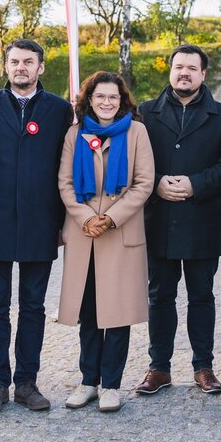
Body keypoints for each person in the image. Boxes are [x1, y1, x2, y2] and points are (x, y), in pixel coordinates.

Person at [0, 39, 74, 413]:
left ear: (41, 67)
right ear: (5, 67)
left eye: (28, 61)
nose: (21, 67)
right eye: (15, 61)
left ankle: (27, 382)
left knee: (33, 306)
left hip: (41, 222)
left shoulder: (59, 110)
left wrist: (64, 221)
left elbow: (66, 167)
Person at [133, 44, 221, 395]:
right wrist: (156, 184)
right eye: (178, 66)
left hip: (201, 219)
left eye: (191, 68)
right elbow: (131, 160)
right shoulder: (145, 113)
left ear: (203, 74)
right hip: (159, 219)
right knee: (159, 295)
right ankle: (159, 368)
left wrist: (196, 184)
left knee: (202, 296)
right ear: (170, 70)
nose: (184, 72)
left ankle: (204, 367)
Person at [57, 71, 155, 413]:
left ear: (122, 100)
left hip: (120, 232)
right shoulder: (75, 134)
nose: (107, 102)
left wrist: (111, 217)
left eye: (113, 97)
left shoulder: (137, 132)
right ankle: (88, 382)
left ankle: (111, 385)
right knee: (88, 313)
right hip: (85, 235)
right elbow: (65, 183)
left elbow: (144, 183)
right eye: (100, 97)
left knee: (116, 313)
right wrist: (86, 217)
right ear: (89, 100)